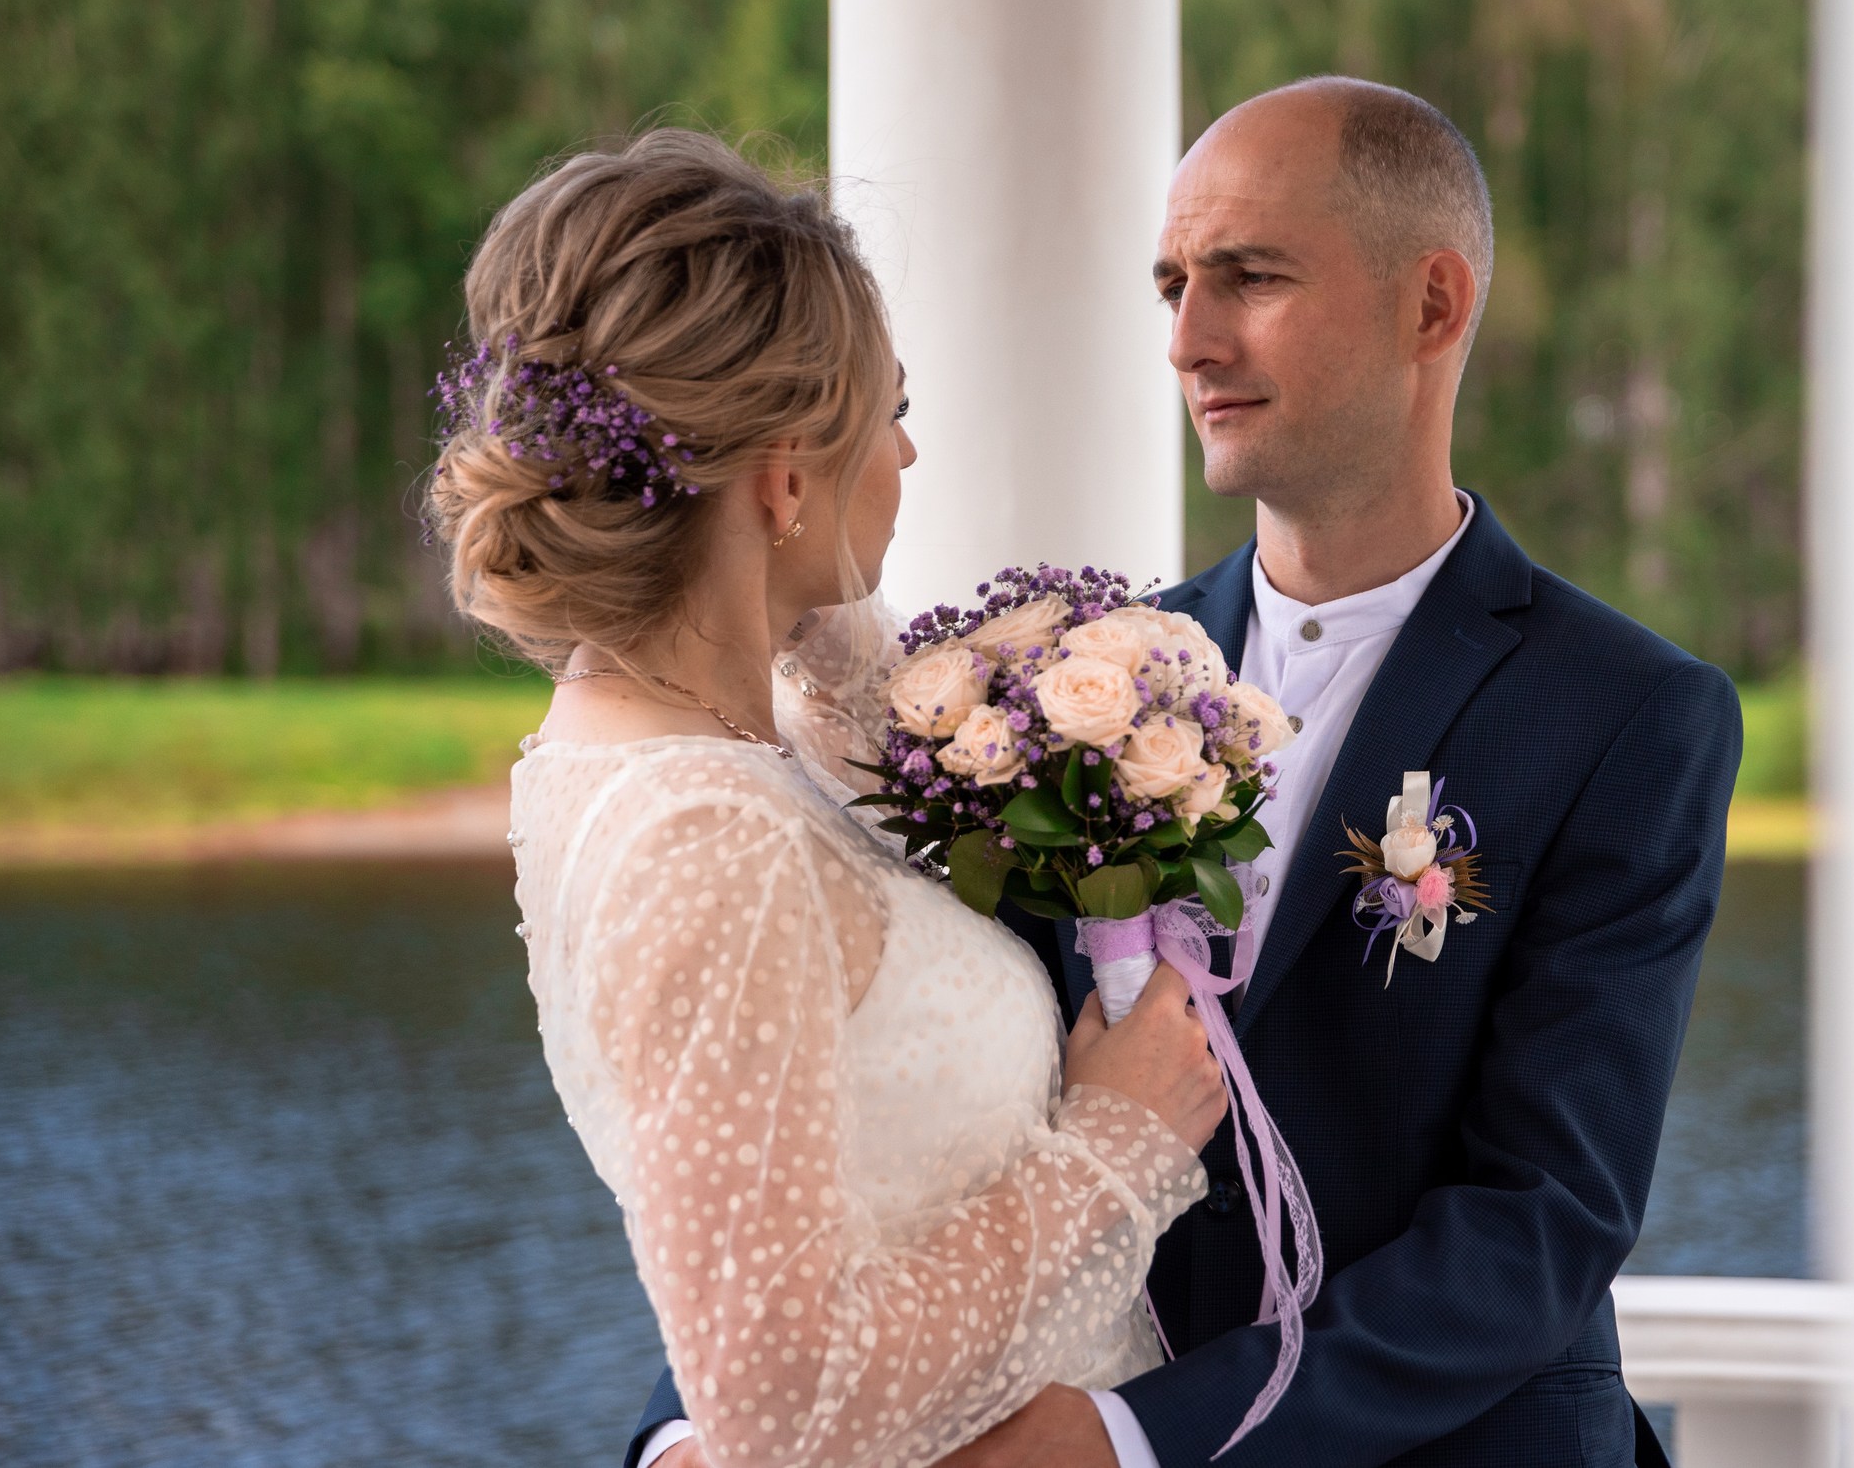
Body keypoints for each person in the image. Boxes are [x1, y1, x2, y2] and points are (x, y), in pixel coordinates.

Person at [634, 79, 1742, 1467]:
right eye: (1171, 285)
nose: (1188, 338)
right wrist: (688, 1430)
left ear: (1433, 307)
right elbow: (895, 1089)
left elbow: (1540, 1225)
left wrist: (1130, 1442)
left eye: (1250, 277)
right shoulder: (1052, 688)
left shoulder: (1629, 715)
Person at [429, 129, 1229, 1468]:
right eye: (893, 408)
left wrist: (796, 606)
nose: (910, 456)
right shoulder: (706, 842)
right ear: (786, 475)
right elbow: (786, 1410)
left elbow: (860, 703)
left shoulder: (739, 724)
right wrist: (1114, 1142)